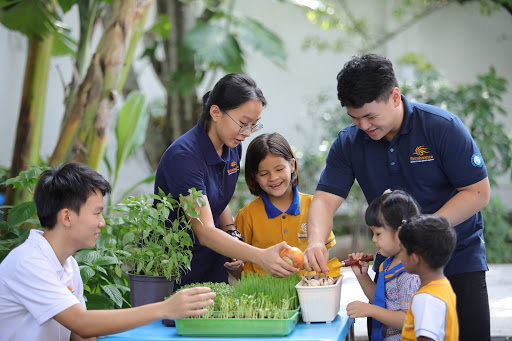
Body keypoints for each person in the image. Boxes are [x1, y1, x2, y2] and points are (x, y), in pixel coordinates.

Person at [303, 53, 491, 340]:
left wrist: (417, 234)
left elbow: (477, 193)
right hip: (394, 266)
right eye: (355, 119)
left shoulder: (442, 127)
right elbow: (325, 199)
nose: (364, 127)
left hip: (457, 260)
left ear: (394, 96)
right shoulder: (349, 142)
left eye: (370, 116)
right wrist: (316, 241)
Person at [0, 163, 215, 341]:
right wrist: (165, 308)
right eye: (97, 213)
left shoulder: (68, 265)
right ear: (66, 217)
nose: (102, 223)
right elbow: (81, 323)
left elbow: (81, 335)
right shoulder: (28, 262)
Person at [154, 73, 297, 290]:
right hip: (176, 267)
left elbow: (216, 196)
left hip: (213, 262)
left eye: (253, 125)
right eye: (243, 123)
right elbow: (205, 231)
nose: (247, 133)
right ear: (215, 112)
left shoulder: (232, 146)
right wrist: (261, 257)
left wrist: (232, 232)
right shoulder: (184, 157)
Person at [232, 132, 337, 278]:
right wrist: (234, 267)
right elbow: (239, 265)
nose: (273, 178)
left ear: (292, 165)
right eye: (264, 174)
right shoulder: (246, 216)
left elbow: (324, 255)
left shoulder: (314, 206)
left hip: (309, 294)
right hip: (264, 298)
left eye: (279, 169)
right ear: (254, 176)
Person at [346, 190, 421, 341]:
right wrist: (362, 276)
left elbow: (409, 321)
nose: (374, 239)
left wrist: (371, 310)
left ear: (401, 233)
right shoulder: (388, 264)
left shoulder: (410, 273)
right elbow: (381, 300)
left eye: (378, 234)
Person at [399, 214, 459, 341]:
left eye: (402, 250)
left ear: (414, 258)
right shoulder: (443, 286)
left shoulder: (426, 299)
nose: (400, 255)